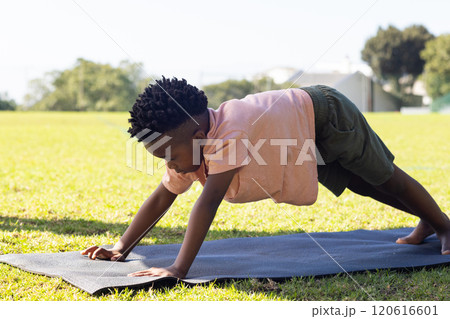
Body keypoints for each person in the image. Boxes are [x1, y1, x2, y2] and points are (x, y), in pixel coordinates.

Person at [81, 77, 450, 278]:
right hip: (299, 131)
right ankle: (427, 220)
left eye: (169, 156)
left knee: (384, 176)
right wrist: (120, 247)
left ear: (196, 139)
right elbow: (163, 195)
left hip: (326, 113)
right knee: (362, 185)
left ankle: (443, 225)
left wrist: (179, 268)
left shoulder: (228, 131)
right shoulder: (189, 149)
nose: (172, 167)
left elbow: (207, 202)